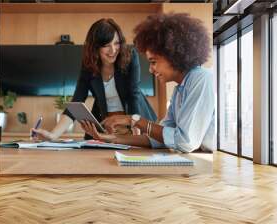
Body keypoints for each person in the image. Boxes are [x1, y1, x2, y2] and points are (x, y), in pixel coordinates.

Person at [80, 13, 215, 153]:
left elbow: (184, 142)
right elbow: (160, 139)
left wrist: (134, 120)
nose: (151, 69)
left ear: (173, 55)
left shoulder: (201, 79)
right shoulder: (179, 90)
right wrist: (111, 139)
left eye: (153, 62)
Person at [33, 18, 156, 140]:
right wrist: (53, 135)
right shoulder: (89, 65)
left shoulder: (130, 57)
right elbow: (77, 101)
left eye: (116, 43)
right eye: (106, 45)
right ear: (95, 47)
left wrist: (137, 130)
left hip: (133, 119)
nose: (113, 50)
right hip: (105, 124)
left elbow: (133, 94)